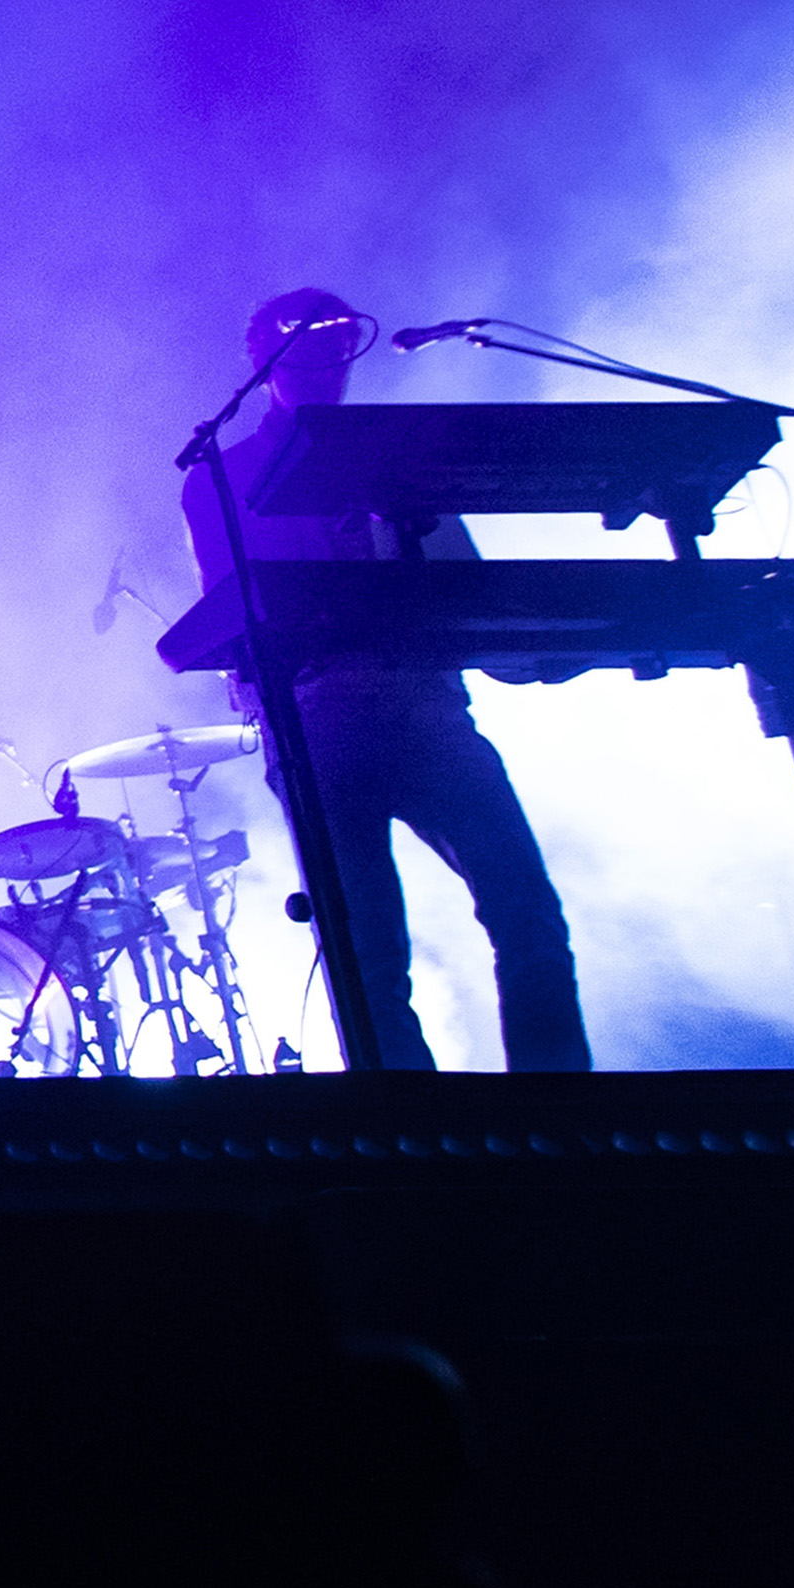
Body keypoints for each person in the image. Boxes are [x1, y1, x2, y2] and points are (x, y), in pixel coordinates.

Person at [179, 285, 589, 1074]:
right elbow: (235, 610)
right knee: (370, 957)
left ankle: (560, 1114)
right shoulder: (223, 477)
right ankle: (416, 1139)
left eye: (336, 349)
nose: (325, 365)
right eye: (303, 350)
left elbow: (460, 580)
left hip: (424, 707)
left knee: (528, 913)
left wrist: (530, 648)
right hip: (317, 722)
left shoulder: (393, 456)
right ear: (265, 362)